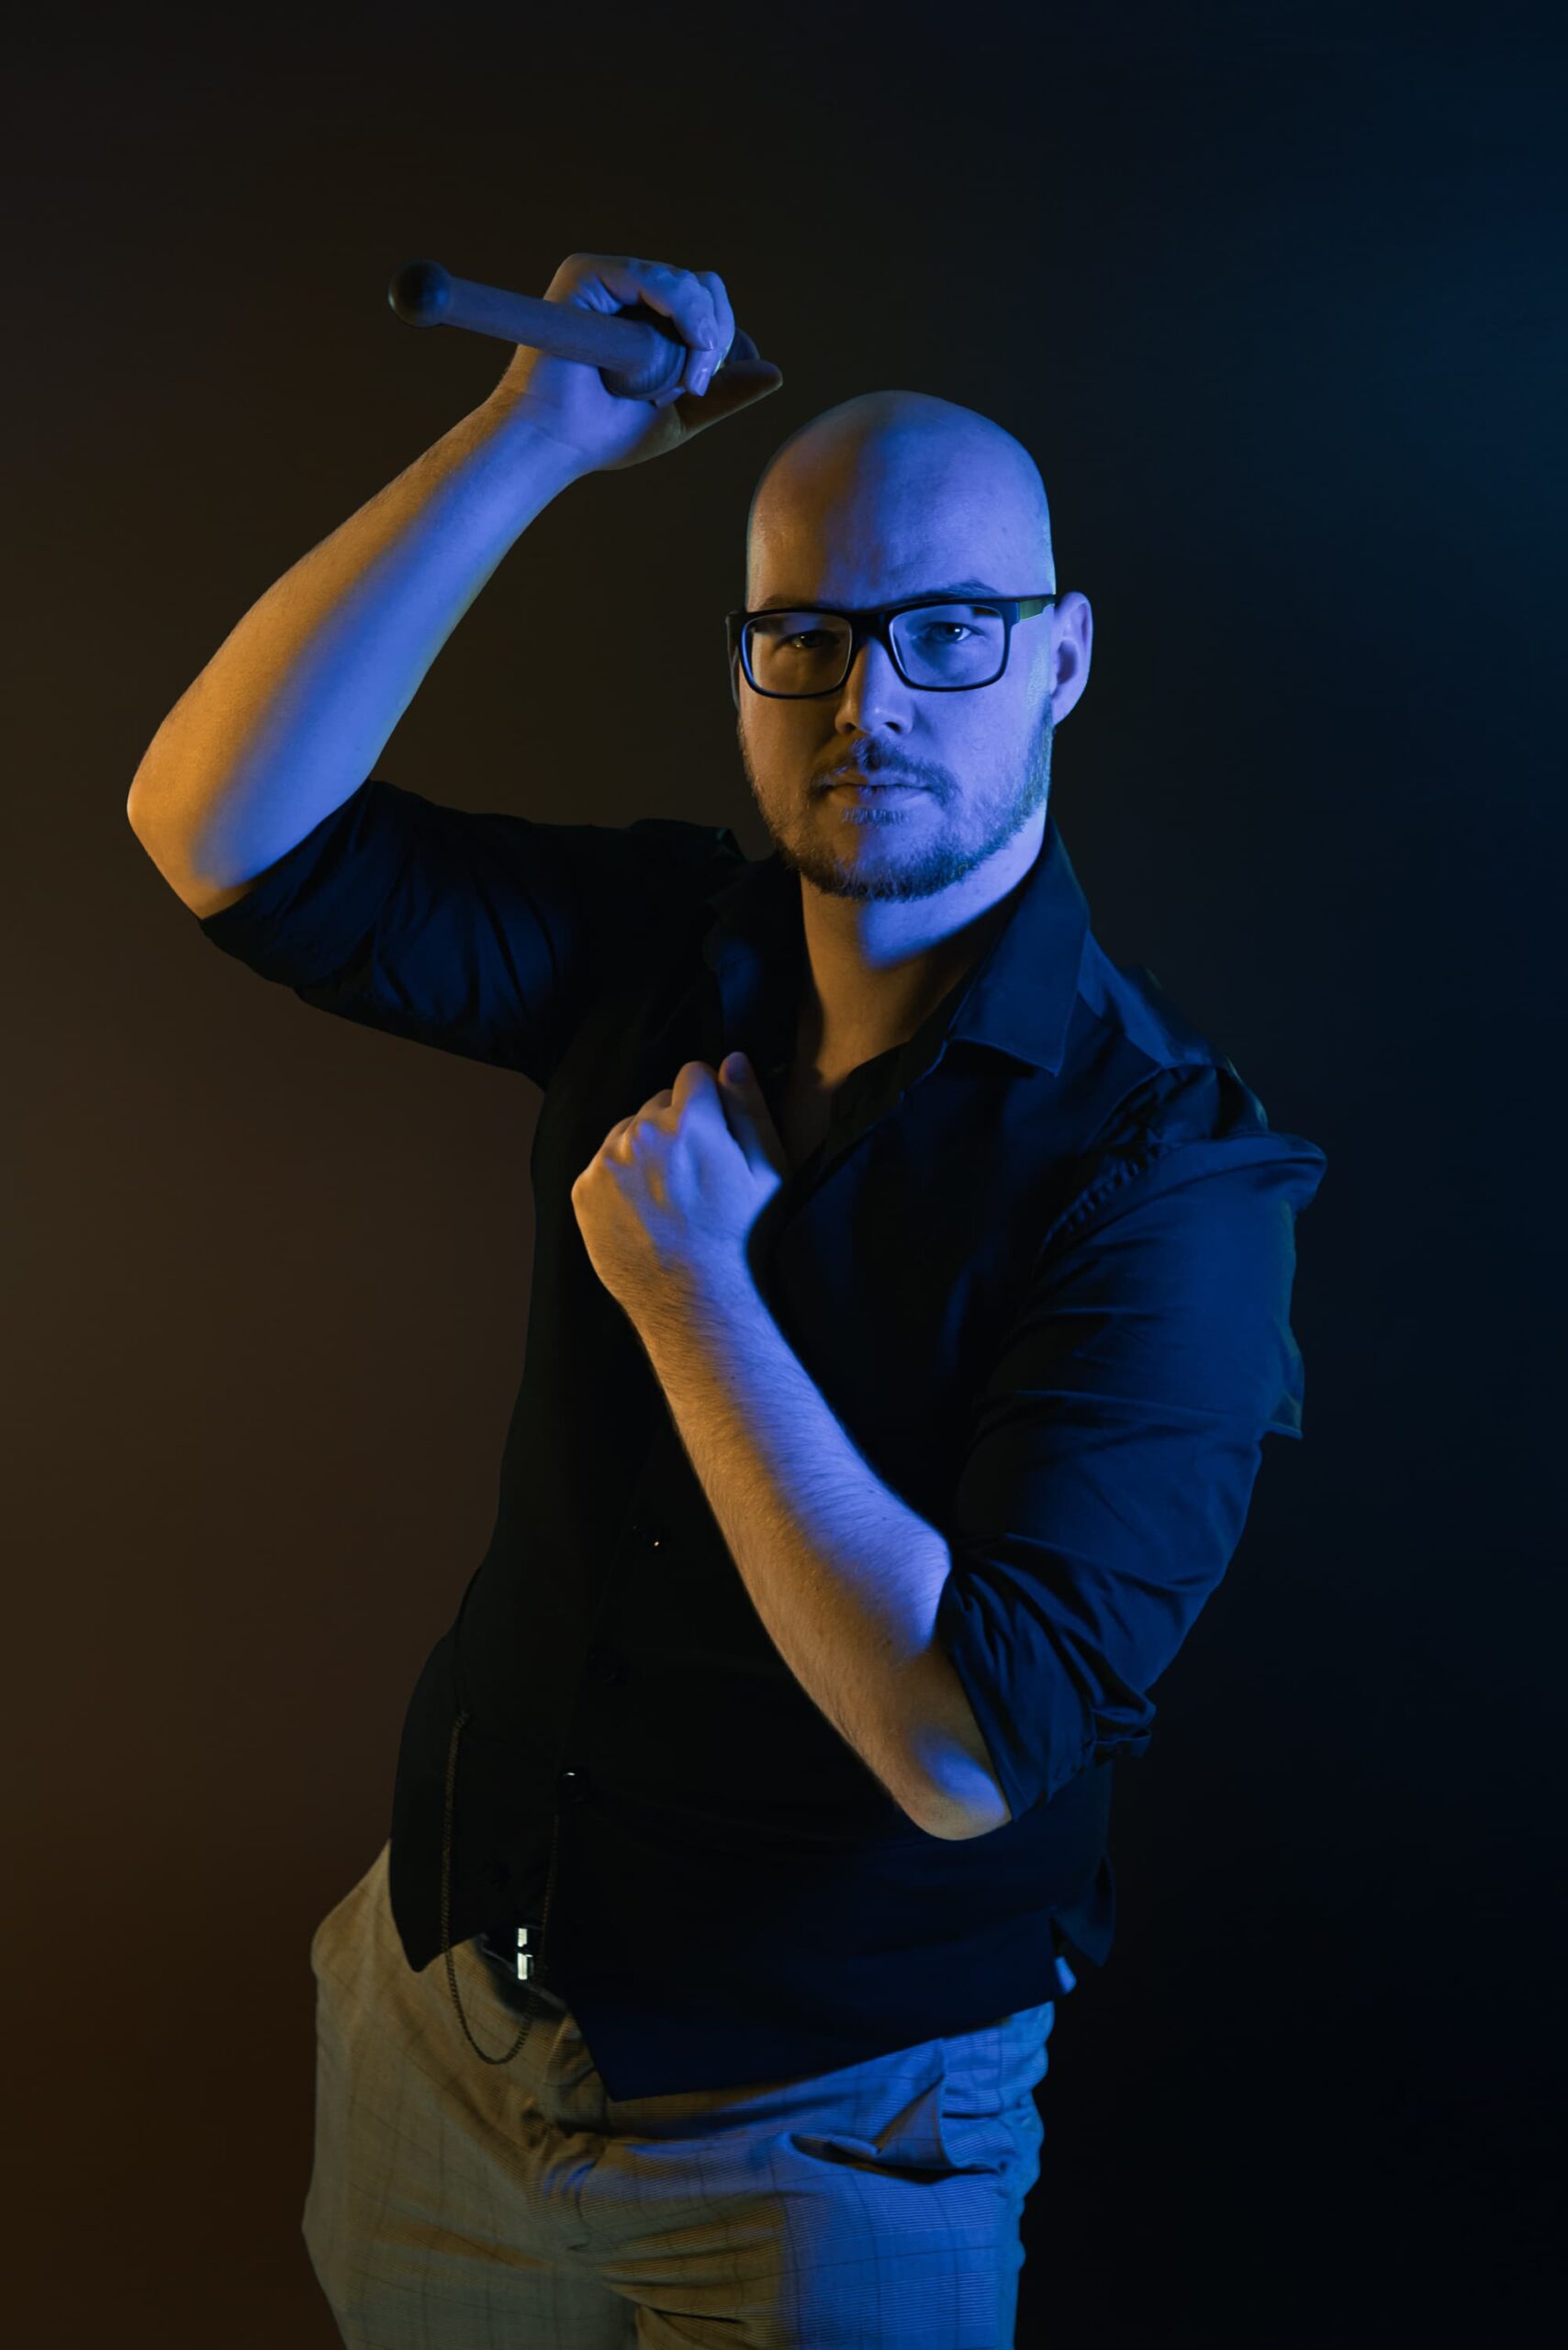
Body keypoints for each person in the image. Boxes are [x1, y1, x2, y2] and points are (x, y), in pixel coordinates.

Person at [128, 251, 1327, 2348]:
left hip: (831, 2145)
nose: (870, 704)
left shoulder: (1167, 1180)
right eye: (808, 638)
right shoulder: (666, 943)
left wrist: (695, 1294)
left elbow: (965, 1744)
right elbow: (210, 825)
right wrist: (523, 441)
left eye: (946, 631)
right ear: (749, 662)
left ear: (1058, 657)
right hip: (445, 2034)